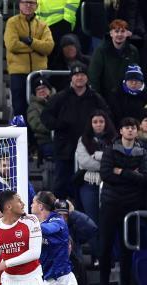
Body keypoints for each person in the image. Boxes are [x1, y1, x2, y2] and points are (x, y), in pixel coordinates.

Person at [96, 117, 147, 285]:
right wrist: (132, 175)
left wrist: (121, 171)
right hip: (110, 204)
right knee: (105, 246)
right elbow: (106, 174)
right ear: (120, 131)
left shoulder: (142, 152)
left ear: (137, 131)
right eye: (126, 127)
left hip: (131, 206)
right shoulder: (110, 150)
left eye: (133, 127)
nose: (130, 130)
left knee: (128, 247)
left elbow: (145, 177)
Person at [41, 61, 109, 199]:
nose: (79, 78)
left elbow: (107, 116)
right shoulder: (60, 97)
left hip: (89, 148)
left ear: (87, 77)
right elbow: (45, 116)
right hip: (65, 147)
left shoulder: (95, 98)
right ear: (71, 77)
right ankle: (58, 210)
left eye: (82, 74)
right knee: (61, 183)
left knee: (83, 185)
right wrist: (59, 125)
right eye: (76, 75)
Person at [75, 109, 116, 255]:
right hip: (89, 184)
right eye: (95, 122)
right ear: (90, 124)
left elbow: (117, 158)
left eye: (101, 121)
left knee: (109, 221)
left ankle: (110, 255)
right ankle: (97, 255)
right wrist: (107, 164)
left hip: (111, 185)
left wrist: (97, 155)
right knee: (92, 221)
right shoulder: (83, 139)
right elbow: (84, 162)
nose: (98, 124)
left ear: (106, 123)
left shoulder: (115, 139)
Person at [4, 0, 54, 116]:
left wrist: (31, 42)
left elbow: (48, 47)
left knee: (40, 108)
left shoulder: (43, 25)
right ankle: (20, 129)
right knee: (19, 108)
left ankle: (37, 129)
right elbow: (12, 45)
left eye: (31, 3)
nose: (28, 5)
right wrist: (36, 47)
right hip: (18, 73)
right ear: (19, 4)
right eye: (25, 2)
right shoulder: (12, 22)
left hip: (38, 73)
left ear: (36, 6)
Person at [88, 19, 140, 97]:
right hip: (106, 96)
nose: (119, 34)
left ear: (127, 33)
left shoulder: (133, 51)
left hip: (127, 96)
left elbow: (137, 75)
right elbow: (93, 77)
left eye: (122, 31)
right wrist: (97, 98)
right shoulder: (101, 51)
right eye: (116, 31)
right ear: (111, 33)